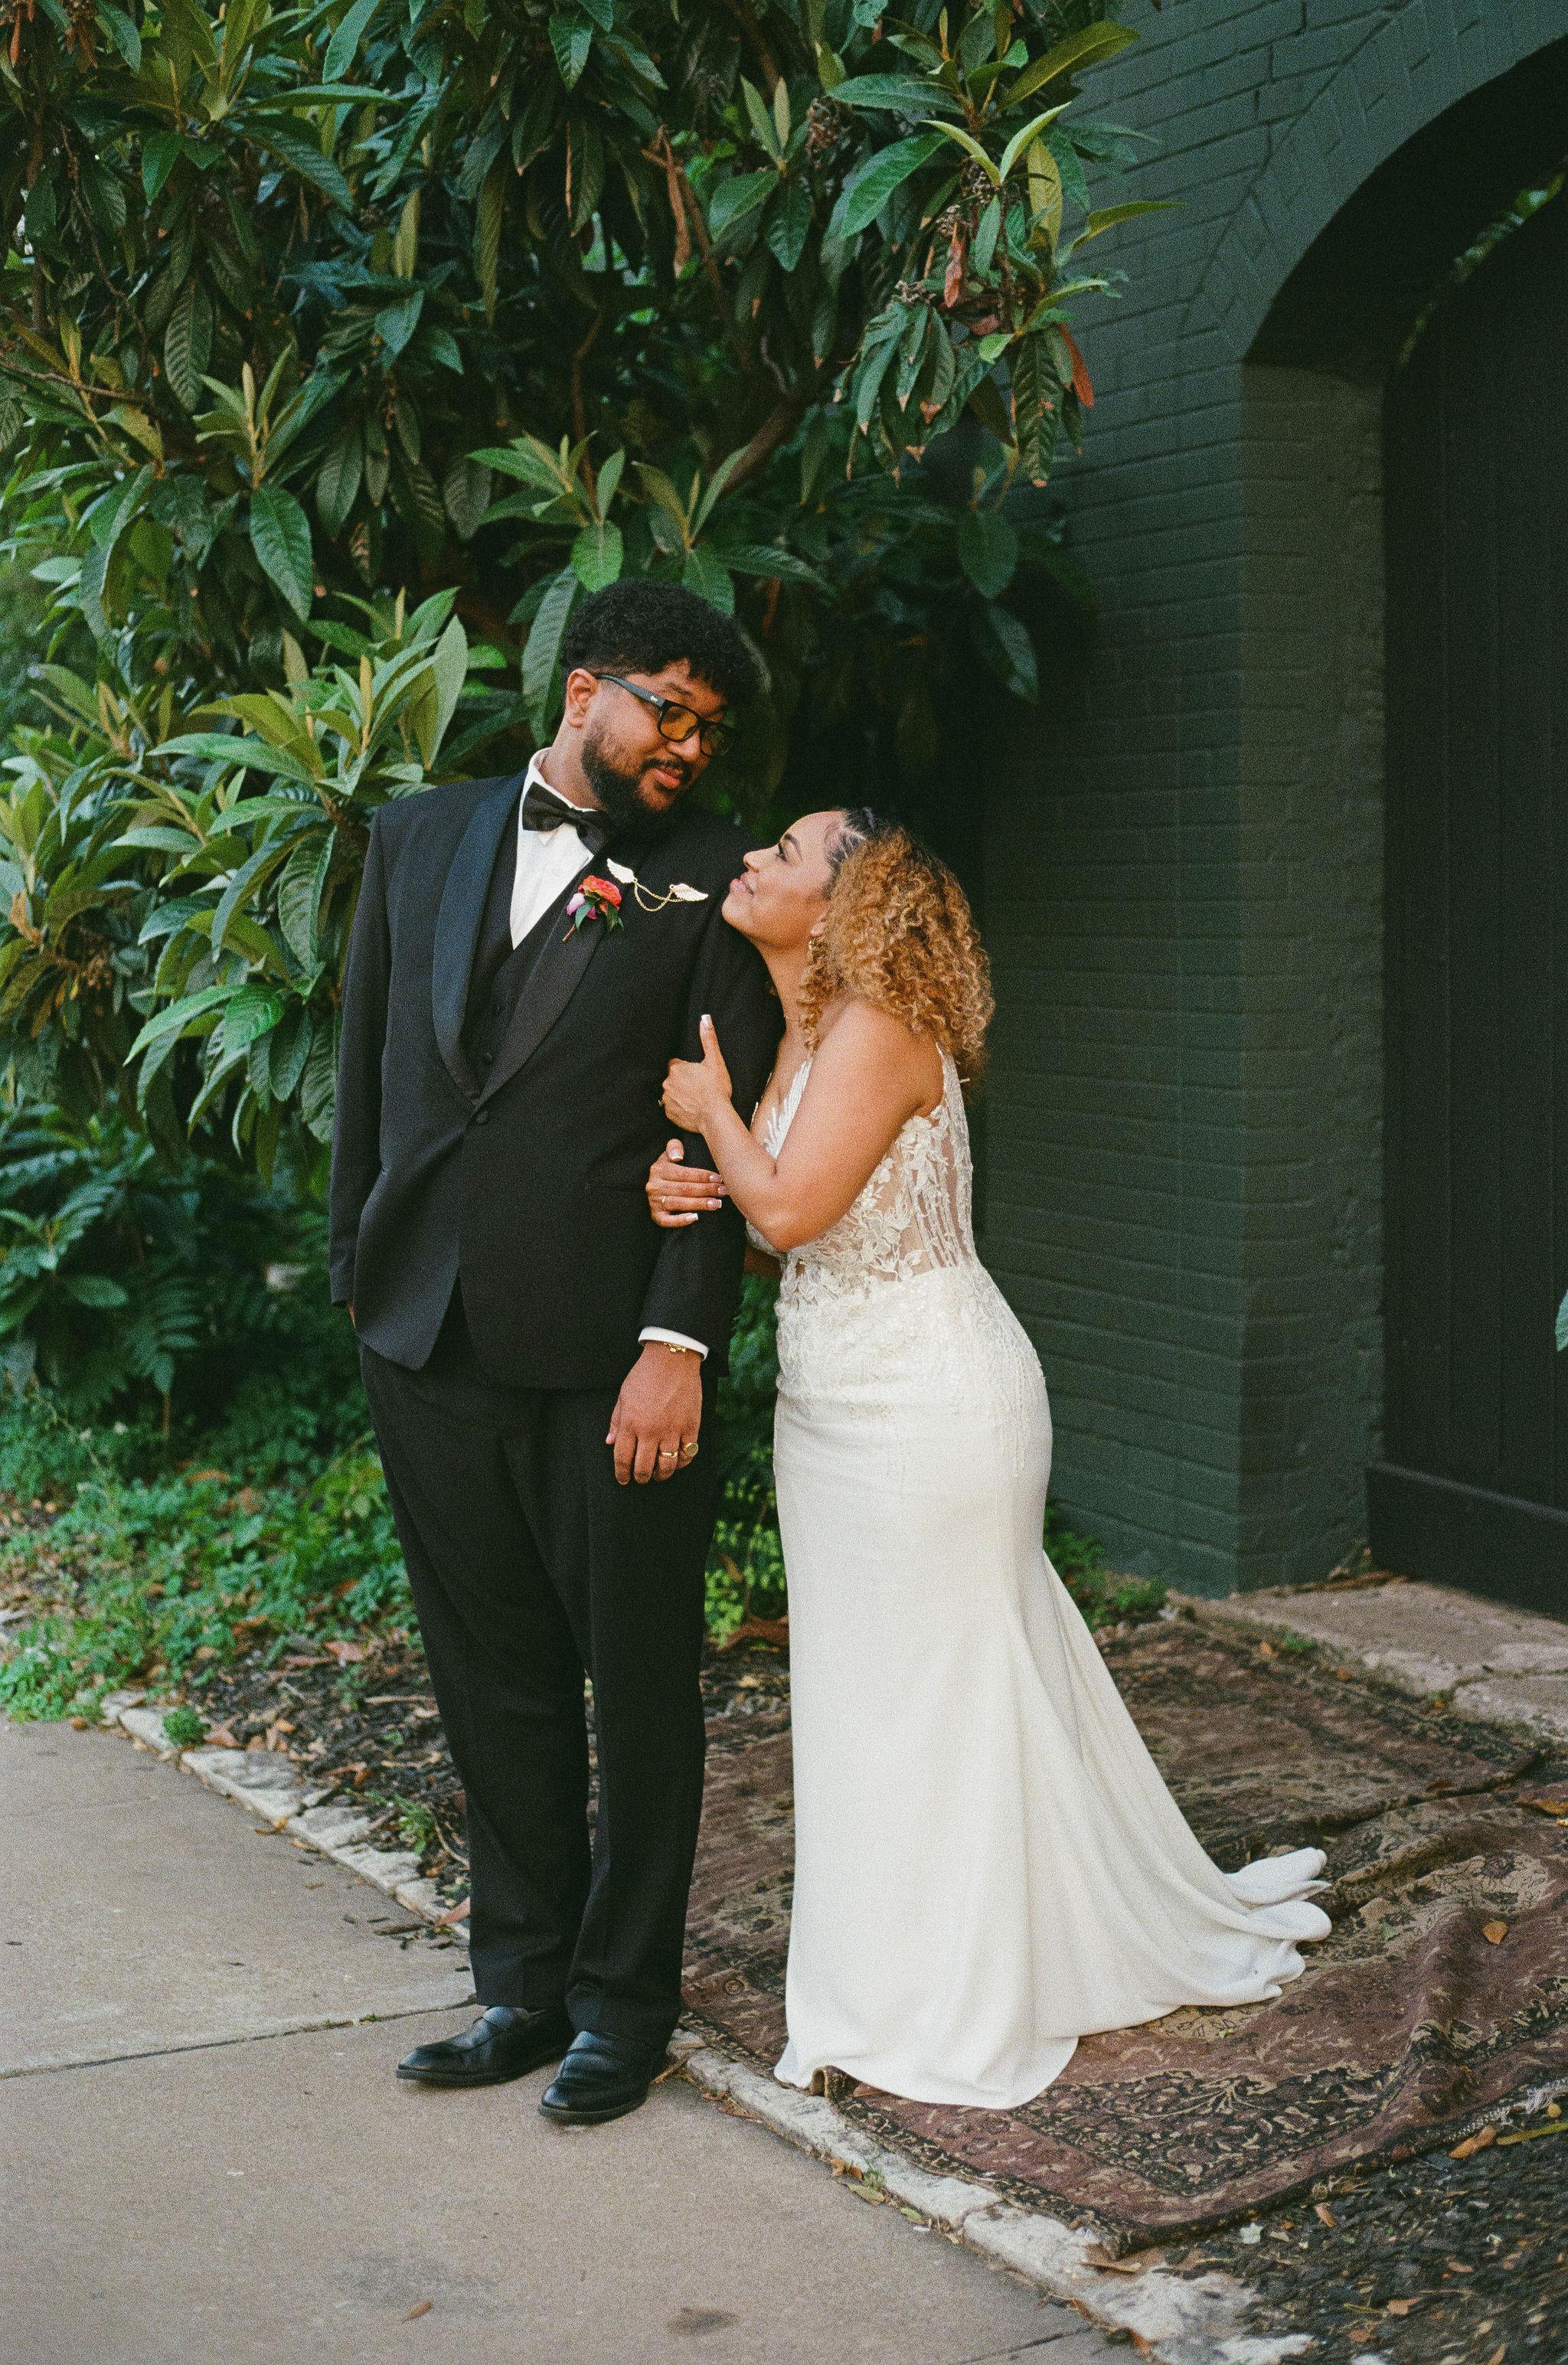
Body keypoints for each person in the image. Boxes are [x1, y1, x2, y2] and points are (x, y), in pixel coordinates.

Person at [648, 808, 1331, 2110]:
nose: (753, 860)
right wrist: (698, 1184)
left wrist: (714, 1119)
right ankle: (914, 1958)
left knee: (941, 1695)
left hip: (929, 1408)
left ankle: (955, 1984)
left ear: (851, 902)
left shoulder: (881, 1027)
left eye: (786, 853)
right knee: (876, 1693)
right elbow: (790, 1232)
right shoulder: (811, 1029)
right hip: (838, 1409)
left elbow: (787, 1200)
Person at [330, 581, 779, 2125]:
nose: (690, 746)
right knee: (491, 1676)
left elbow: (718, 1136)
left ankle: (622, 2008)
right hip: (424, 1338)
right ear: (584, 688)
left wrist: (678, 1337)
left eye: (711, 728)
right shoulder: (416, 839)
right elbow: (371, 1079)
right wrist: (358, 1281)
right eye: (668, 706)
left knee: (636, 1682)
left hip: (612, 1361)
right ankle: (517, 1986)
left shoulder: (719, 882)